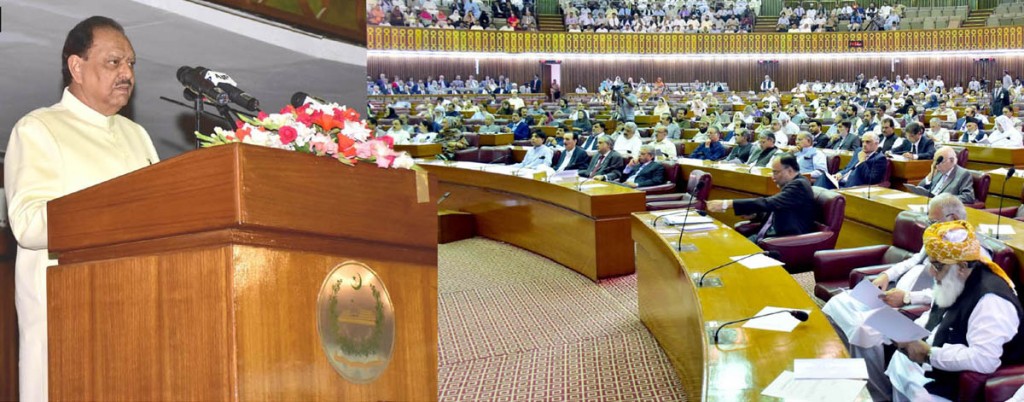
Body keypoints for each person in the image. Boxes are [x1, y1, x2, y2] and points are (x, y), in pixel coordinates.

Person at [6, 16, 160, 401]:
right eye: (113, 62)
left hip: (139, 308)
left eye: (131, 64)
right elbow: (27, 225)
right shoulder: (38, 128)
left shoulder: (136, 135)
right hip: (71, 319)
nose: (127, 72)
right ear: (76, 67)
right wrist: (112, 209)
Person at [825, 194, 970, 399]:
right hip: (893, 294)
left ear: (953, 217)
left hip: (909, 308)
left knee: (862, 327)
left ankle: (876, 391)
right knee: (838, 304)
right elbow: (913, 261)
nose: (930, 226)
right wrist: (886, 274)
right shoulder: (937, 235)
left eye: (933, 221)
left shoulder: (969, 250)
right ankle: (849, 372)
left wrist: (908, 298)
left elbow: (950, 295)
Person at [885, 220, 1024, 401]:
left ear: (962, 267)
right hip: (930, 361)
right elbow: (936, 314)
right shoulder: (953, 278)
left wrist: (929, 354)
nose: (932, 273)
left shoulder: (991, 300)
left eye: (937, 266)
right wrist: (912, 334)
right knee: (899, 360)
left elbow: (984, 359)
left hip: (951, 380)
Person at [707, 154, 817, 242]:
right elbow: (777, 208)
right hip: (766, 235)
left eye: (776, 172)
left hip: (782, 240)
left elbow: (768, 203)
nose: (772, 176)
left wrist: (727, 203)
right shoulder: (792, 183)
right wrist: (756, 214)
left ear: (789, 170)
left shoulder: (799, 185)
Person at [819, 133, 887, 189]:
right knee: (823, 177)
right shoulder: (858, 151)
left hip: (851, 187)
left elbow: (872, 179)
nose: (864, 144)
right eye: (863, 141)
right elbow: (848, 168)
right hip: (839, 181)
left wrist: (862, 162)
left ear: (876, 144)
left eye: (868, 142)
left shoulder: (880, 159)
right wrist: (840, 174)